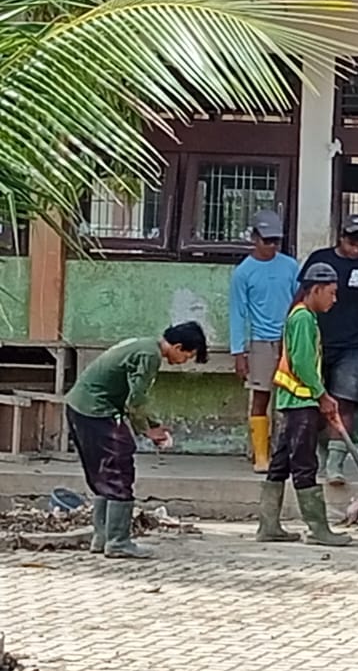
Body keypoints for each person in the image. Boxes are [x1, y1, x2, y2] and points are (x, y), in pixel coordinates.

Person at [64, 322, 208, 560]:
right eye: (187, 355)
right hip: (97, 410)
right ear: (178, 346)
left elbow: (134, 400)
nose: (185, 361)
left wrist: (152, 424)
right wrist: (147, 431)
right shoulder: (150, 356)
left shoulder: (143, 344)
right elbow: (136, 401)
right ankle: (118, 541)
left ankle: (102, 537)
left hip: (80, 407)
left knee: (103, 474)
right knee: (120, 470)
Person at [256, 262, 350, 547]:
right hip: (301, 402)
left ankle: (268, 525)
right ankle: (318, 529)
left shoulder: (304, 317)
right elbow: (303, 364)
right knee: (305, 463)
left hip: (295, 401)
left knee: (281, 463)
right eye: (331, 293)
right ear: (316, 290)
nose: (334, 299)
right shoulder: (303, 319)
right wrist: (322, 395)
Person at [299, 213, 358, 487]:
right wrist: (290, 338)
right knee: (314, 403)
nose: (357, 248)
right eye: (353, 241)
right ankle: (322, 454)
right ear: (341, 237)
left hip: (355, 345)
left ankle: (335, 465)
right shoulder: (320, 259)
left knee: (346, 402)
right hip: (317, 342)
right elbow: (300, 298)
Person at [229, 209, 299, 473]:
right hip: (260, 341)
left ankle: (285, 452)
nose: (271, 246)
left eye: (276, 241)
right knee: (261, 396)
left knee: (290, 398)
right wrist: (239, 352)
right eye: (267, 240)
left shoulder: (290, 266)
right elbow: (238, 313)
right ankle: (261, 454)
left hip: (288, 340)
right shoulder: (243, 273)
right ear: (254, 238)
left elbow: (298, 302)